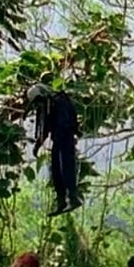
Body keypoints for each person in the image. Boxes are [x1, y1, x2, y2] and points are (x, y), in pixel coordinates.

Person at [29, 81, 82, 215]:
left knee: (66, 166)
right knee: (56, 169)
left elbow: (67, 121)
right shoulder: (47, 106)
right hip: (58, 140)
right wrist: (38, 145)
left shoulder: (59, 101)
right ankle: (61, 201)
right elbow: (45, 128)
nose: (39, 104)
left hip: (65, 137)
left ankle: (73, 198)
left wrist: (66, 133)